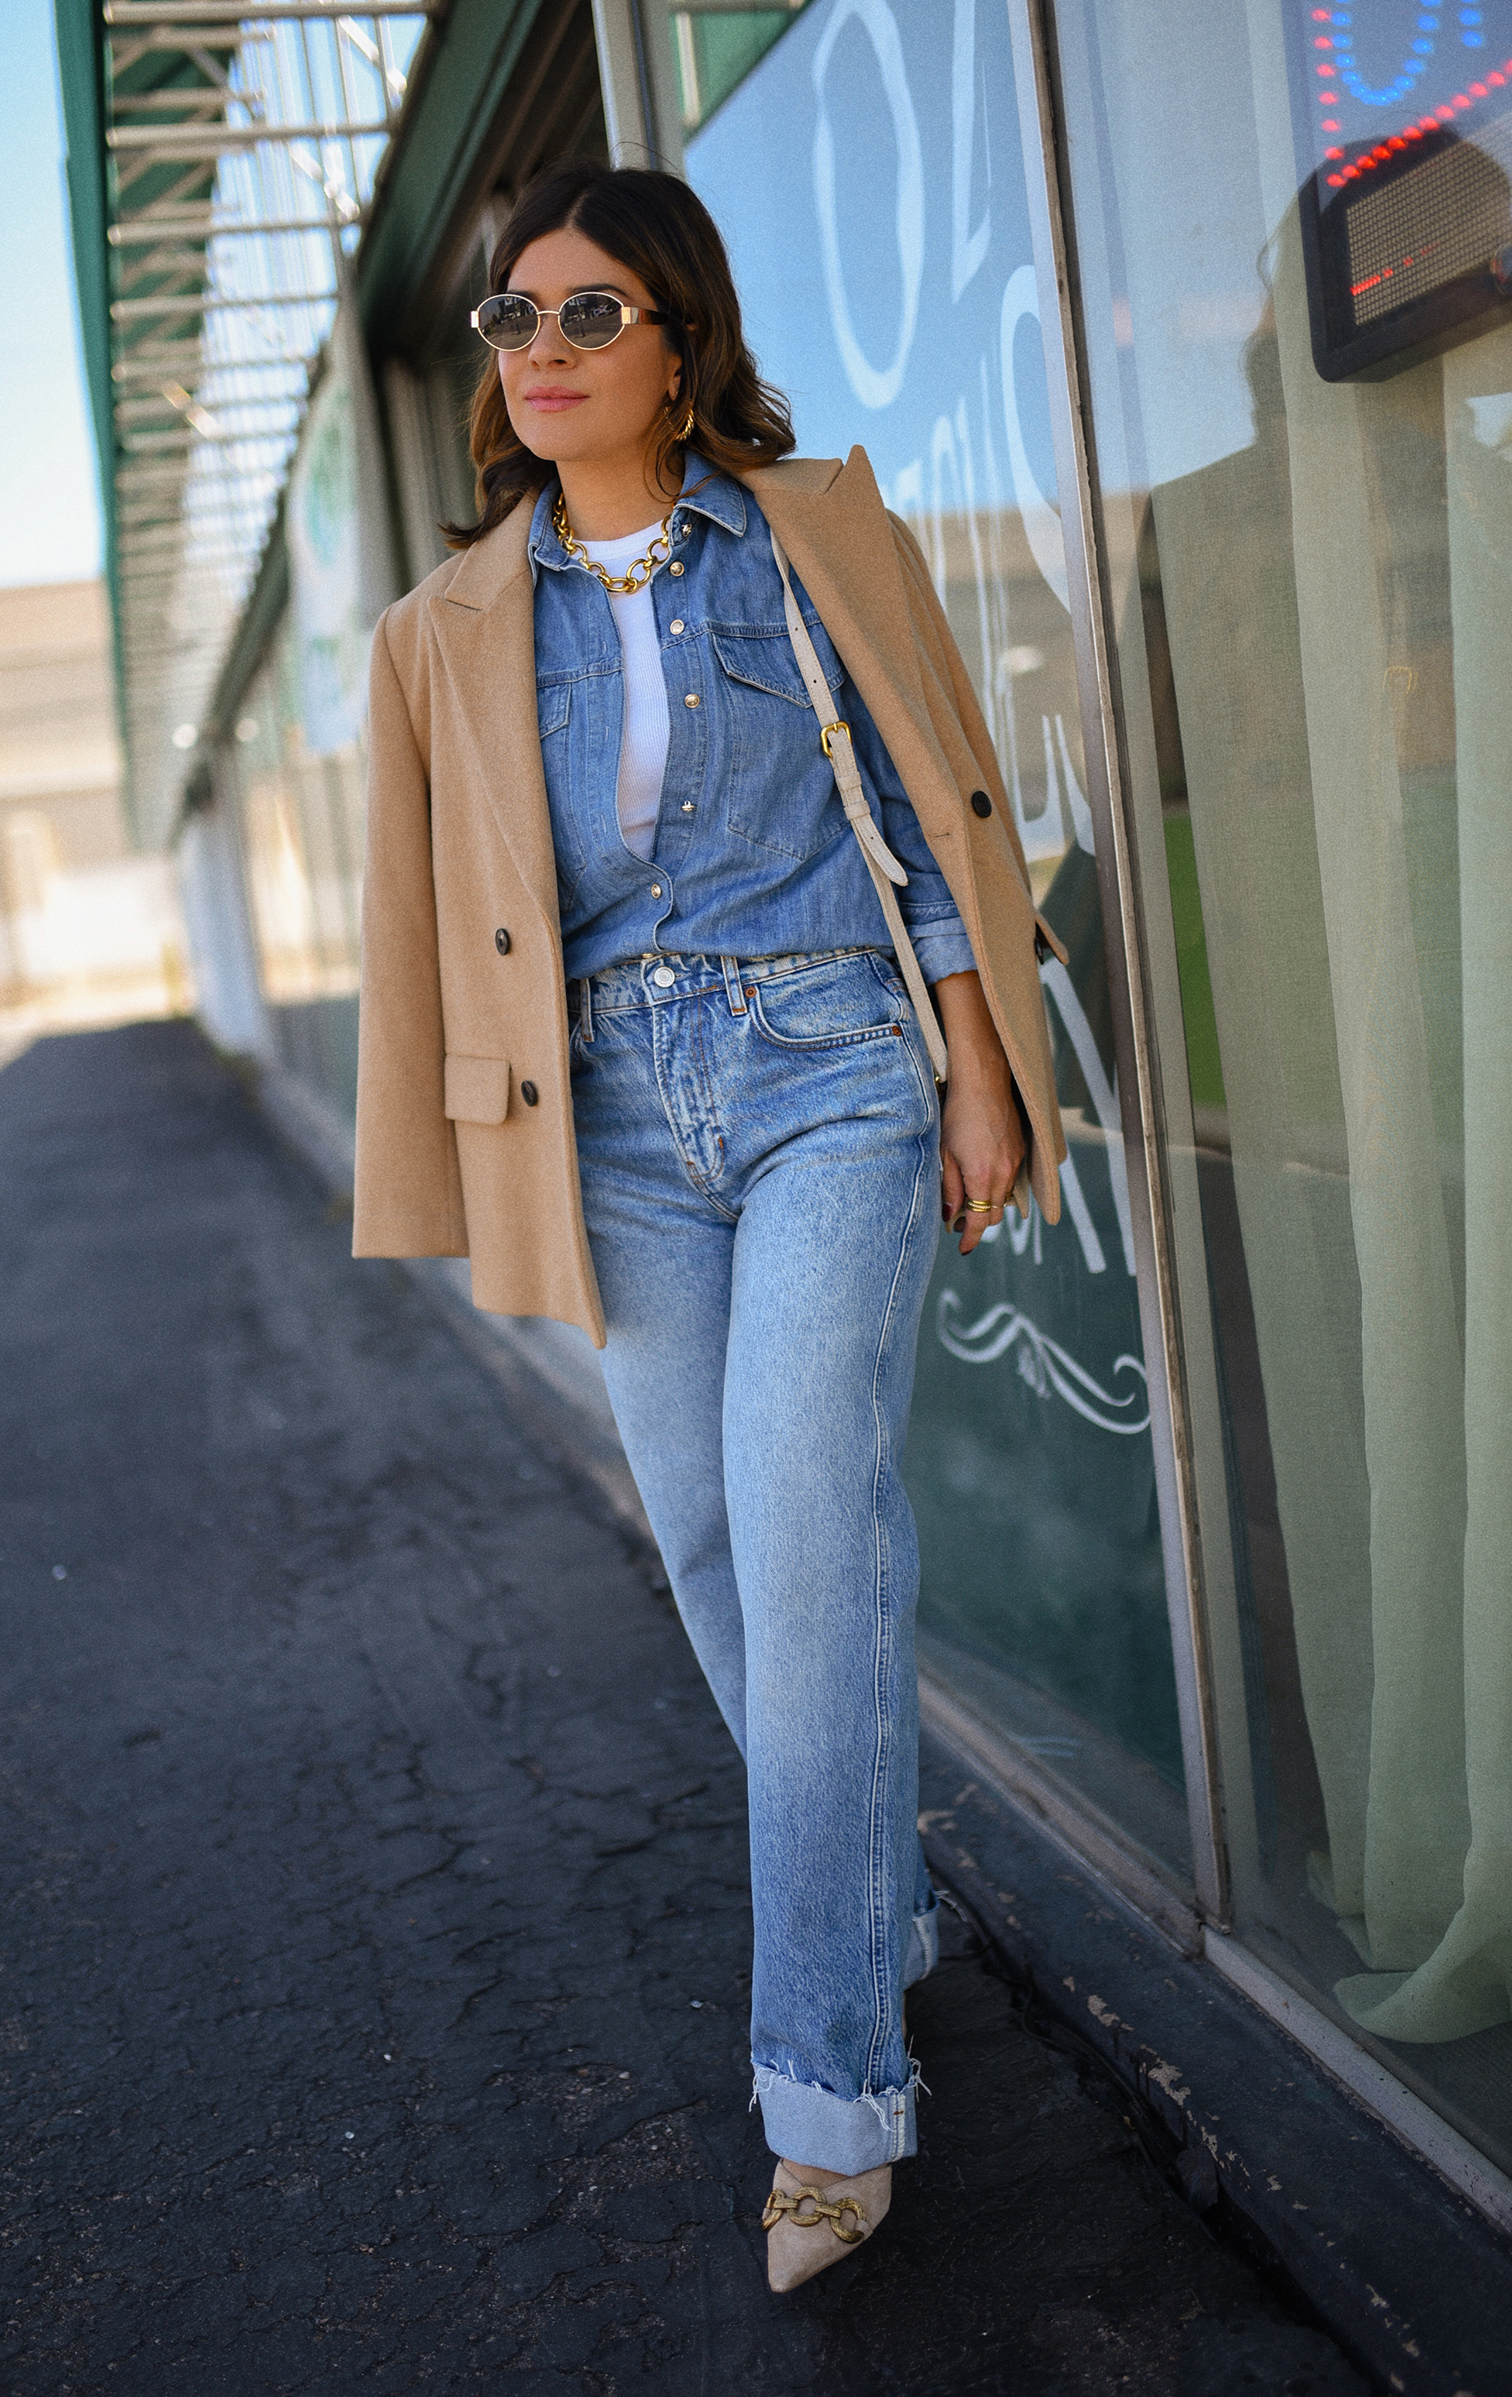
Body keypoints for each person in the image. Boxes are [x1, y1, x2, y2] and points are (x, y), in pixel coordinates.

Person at [353, 160, 1065, 2292]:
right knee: (715, 1542)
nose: (541, 353)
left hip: (832, 1061)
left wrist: (971, 1058)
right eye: (511, 323)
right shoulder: (442, 630)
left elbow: (931, 809)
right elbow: (421, 942)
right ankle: (876, 1899)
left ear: (677, 338)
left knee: (808, 1515)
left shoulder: (809, 534)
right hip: (615, 1116)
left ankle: (828, 2090)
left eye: (586, 315)